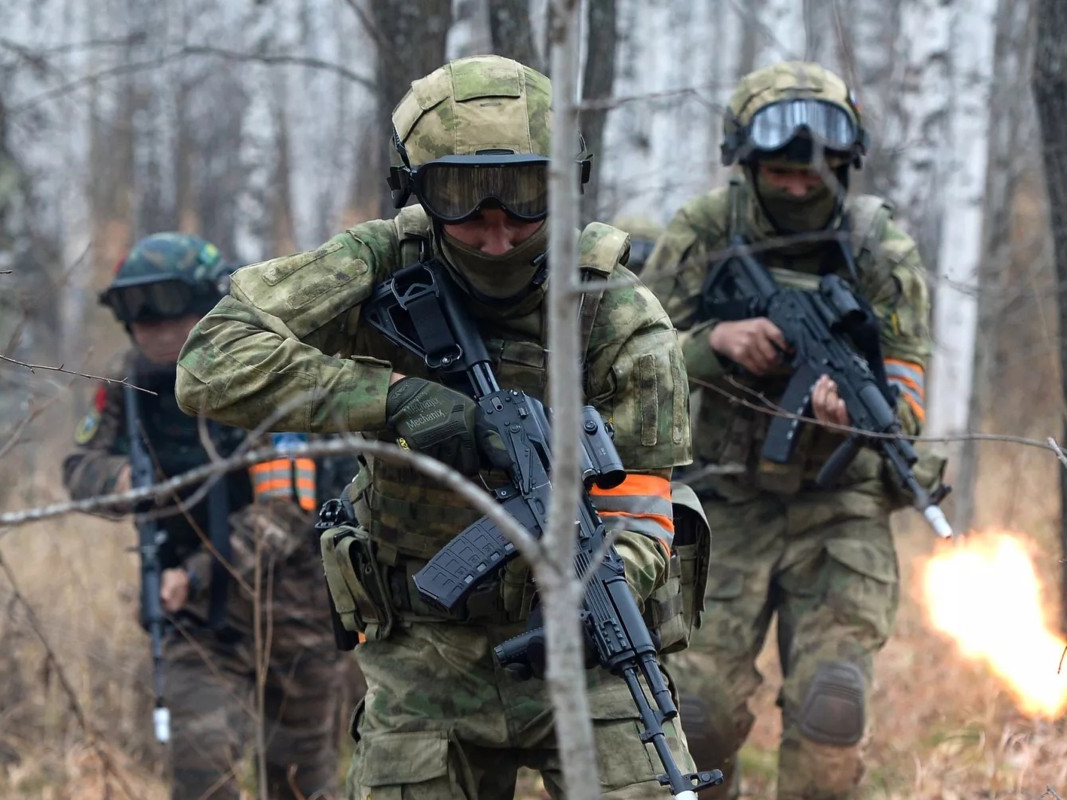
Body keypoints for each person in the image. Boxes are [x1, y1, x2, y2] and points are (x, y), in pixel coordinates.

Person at [174, 55, 701, 798]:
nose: (496, 233)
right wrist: (391, 399)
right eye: (463, 200)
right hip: (424, 656)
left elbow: (645, 506)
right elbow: (208, 362)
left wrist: (589, 601)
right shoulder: (375, 264)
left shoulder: (614, 308)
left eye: (522, 199)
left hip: (588, 656)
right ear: (419, 191)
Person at [641, 61, 937, 799]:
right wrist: (717, 344)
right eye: (781, 170)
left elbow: (905, 391)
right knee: (697, 714)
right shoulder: (704, 232)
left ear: (845, 162)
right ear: (747, 161)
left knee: (831, 705)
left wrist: (860, 419)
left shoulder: (879, 249)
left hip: (840, 508)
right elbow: (632, 362)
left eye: (817, 170)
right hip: (724, 501)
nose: (800, 185)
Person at [63, 233, 344, 800]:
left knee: (298, 782)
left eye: (168, 304)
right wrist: (119, 483)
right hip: (192, 619)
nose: (153, 326)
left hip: (294, 615)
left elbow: (285, 514)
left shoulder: (268, 370)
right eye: (134, 308)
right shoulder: (128, 385)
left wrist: (193, 572)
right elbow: (79, 466)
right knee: (200, 775)